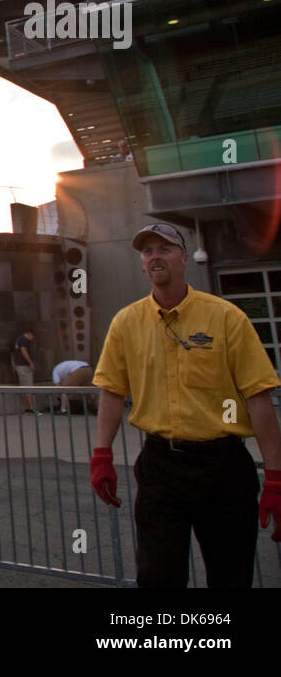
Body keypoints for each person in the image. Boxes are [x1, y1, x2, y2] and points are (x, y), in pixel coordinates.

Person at [89, 222, 281, 587]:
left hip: (224, 469)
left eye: (164, 248)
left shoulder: (226, 318)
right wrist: (102, 456)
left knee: (230, 576)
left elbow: (258, 397)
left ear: (183, 258)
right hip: (161, 468)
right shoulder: (126, 323)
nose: (155, 256)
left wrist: (275, 477)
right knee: (158, 575)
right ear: (143, 264)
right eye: (147, 251)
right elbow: (112, 392)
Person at [12, 330, 40, 414]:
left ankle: (27, 407)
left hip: (19, 366)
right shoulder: (23, 340)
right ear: (29, 334)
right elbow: (24, 350)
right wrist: (31, 363)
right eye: (32, 337)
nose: (32, 339)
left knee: (24, 386)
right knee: (29, 386)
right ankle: (31, 408)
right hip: (24, 366)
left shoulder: (18, 340)